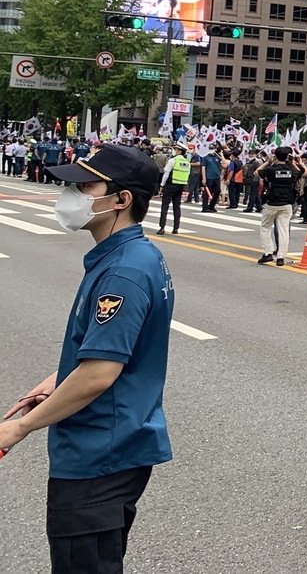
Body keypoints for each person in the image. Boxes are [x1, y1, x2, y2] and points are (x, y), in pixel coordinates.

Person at [1, 144, 172, 573]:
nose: (71, 195)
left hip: (99, 452)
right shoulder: (133, 255)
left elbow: (99, 374)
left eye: (84, 186)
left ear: (121, 199)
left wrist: (18, 429)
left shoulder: (123, 271)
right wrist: (59, 377)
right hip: (117, 443)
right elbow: (109, 348)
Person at [256, 147, 304, 266]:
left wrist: (267, 162)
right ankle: (281, 256)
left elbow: (257, 172)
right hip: (287, 203)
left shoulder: (271, 170)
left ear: (276, 156)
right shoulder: (292, 170)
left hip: (271, 202)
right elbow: (303, 172)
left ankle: (268, 252)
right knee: (283, 230)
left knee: (265, 227)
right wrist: (294, 163)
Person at [155, 144, 190, 235]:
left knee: (165, 207)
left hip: (170, 186)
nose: (174, 150)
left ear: (180, 151)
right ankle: (176, 228)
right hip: (180, 187)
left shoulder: (173, 160)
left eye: (176, 149)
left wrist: (162, 185)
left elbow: (166, 174)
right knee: (177, 207)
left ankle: (162, 228)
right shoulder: (187, 162)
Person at [199, 147, 222, 212]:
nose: (212, 150)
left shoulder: (217, 157)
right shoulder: (205, 158)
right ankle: (205, 207)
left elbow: (224, 164)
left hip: (216, 177)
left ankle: (211, 206)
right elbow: (203, 168)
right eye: (211, 148)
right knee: (207, 193)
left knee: (217, 191)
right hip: (209, 177)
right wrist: (204, 178)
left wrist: (221, 154)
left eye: (213, 148)